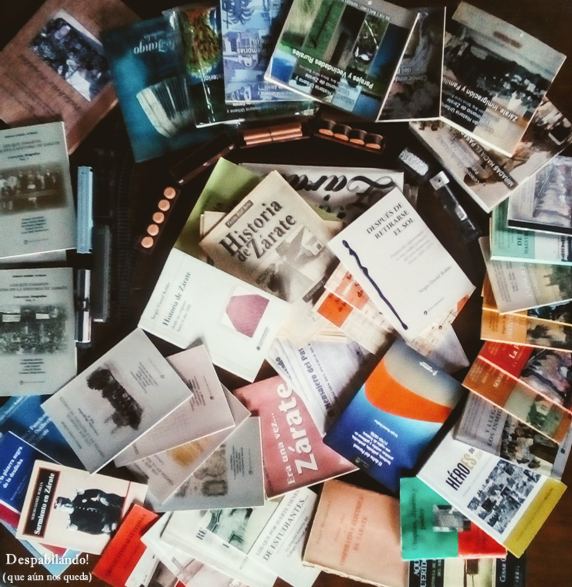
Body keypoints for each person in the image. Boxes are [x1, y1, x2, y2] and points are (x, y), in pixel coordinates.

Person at [54, 488, 124, 535]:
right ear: (63, 511)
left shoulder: (79, 497)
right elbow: (91, 530)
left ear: (68, 499)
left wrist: (102, 497)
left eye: (66, 502)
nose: (67, 505)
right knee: (113, 526)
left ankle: (124, 503)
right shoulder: (74, 522)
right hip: (106, 522)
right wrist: (103, 528)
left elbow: (96, 492)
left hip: (110, 508)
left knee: (106, 498)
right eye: (64, 507)